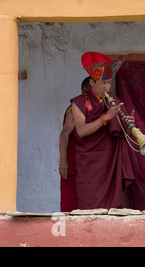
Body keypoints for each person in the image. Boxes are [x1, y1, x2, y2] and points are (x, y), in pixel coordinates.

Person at [70, 51, 135, 209]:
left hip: (110, 162)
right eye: (103, 83)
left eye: (109, 82)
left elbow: (120, 131)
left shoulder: (113, 100)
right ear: (92, 83)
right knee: (90, 205)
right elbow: (81, 131)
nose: (107, 87)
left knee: (112, 207)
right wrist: (105, 118)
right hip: (91, 164)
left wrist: (127, 125)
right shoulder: (79, 102)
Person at [58, 76, 91, 212]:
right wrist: (63, 161)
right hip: (74, 164)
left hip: (90, 165)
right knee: (71, 205)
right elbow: (64, 134)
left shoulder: (101, 108)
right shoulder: (75, 108)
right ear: (85, 90)